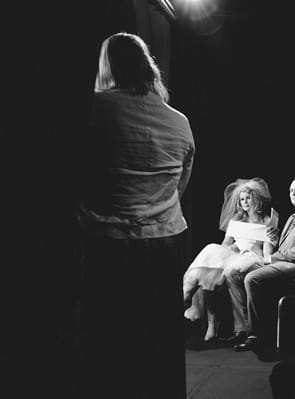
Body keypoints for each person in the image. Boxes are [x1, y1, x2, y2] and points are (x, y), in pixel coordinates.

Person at [76, 32, 195, 399]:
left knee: (110, 346)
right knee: (159, 339)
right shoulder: (179, 121)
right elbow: (180, 187)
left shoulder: (94, 108)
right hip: (164, 243)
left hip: (107, 244)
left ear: (107, 65)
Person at [228, 176, 295, 354]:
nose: (293, 193)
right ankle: (244, 327)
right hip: (281, 265)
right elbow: (283, 245)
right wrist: (274, 237)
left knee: (251, 278)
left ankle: (256, 335)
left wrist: (270, 258)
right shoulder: (291, 217)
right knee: (235, 273)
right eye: (291, 190)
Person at [182, 178, 274, 345]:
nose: (245, 202)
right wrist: (230, 248)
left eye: (248, 198)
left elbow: (267, 250)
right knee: (211, 259)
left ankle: (211, 321)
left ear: (256, 199)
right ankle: (190, 298)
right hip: (233, 256)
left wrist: (265, 258)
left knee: (218, 271)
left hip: (252, 258)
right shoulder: (237, 220)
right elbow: (226, 243)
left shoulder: (267, 221)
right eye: (242, 199)